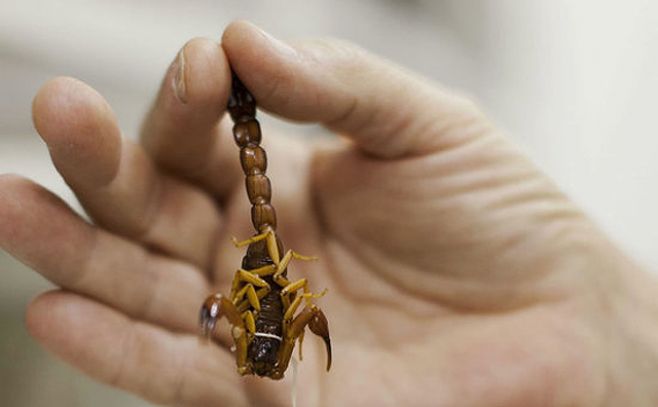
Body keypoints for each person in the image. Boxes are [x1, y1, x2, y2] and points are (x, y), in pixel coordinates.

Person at [0, 20, 656, 407]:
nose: (263, 359)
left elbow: (266, 301)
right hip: (264, 268)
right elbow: (274, 300)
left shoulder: (267, 326)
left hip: (266, 272)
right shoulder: (272, 320)